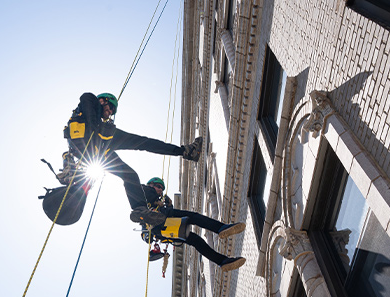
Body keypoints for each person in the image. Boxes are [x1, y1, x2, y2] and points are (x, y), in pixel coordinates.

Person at [56, 92, 202, 222]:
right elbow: (86, 98)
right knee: (143, 142)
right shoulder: (91, 100)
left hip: (96, 150)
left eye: (112, 110)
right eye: (110, 107)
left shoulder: (92, 121)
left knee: (130, 175)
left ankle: (140, 209)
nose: (110, 112)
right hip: (96, 139)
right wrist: (98, 130)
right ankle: (185, 152)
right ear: (103, 101)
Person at [138, 177, 247, 272]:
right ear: (151, 185)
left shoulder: (156, 200)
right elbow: (144, 227)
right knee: (193, 217)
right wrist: (148, 236)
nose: (160, 190)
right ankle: (221, 228)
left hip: (167, 226)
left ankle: (222, 261)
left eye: (161, 188)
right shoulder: (145, 192)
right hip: (162, 222)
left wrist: (168, 204)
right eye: (158, 186)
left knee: (195, 240)